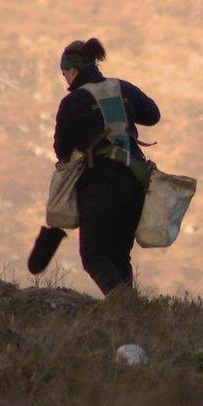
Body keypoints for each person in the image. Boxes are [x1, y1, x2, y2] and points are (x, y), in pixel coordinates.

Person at [53, 38, 160, 295]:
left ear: (74, 71)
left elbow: (61, 150)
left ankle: (124, 305)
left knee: (94, 255)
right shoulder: (122, 88)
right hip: (135, 181)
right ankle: (130, 315)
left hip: (99, 185)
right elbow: (153, 115)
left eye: (64, 72)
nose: (64, 78)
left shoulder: (73, 102)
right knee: (119, 255)